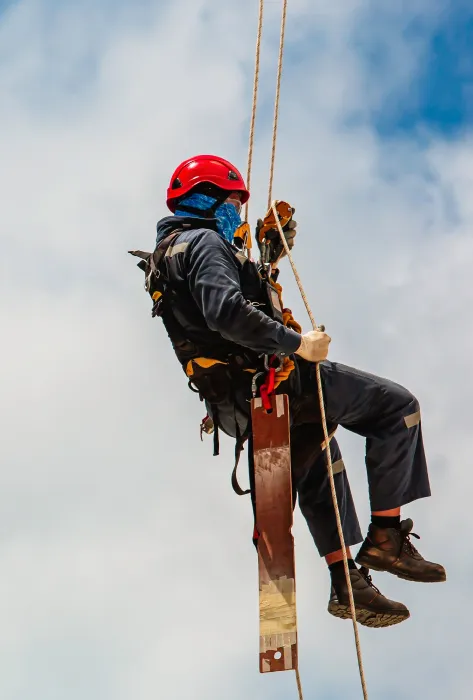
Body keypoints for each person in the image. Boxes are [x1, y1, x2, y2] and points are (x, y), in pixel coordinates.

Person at [132, 154, 446, 629]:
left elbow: (216, 314)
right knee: (397, 410)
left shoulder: (170, 253)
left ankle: (348, 582)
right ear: (210, 199)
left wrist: (261, 262)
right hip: (275, 377)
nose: (236, 213)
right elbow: (227, 314)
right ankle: (385, 539)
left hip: (236, 400)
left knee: (319, 452)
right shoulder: (203, 244)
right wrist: (300, 343)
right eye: (233, 203)